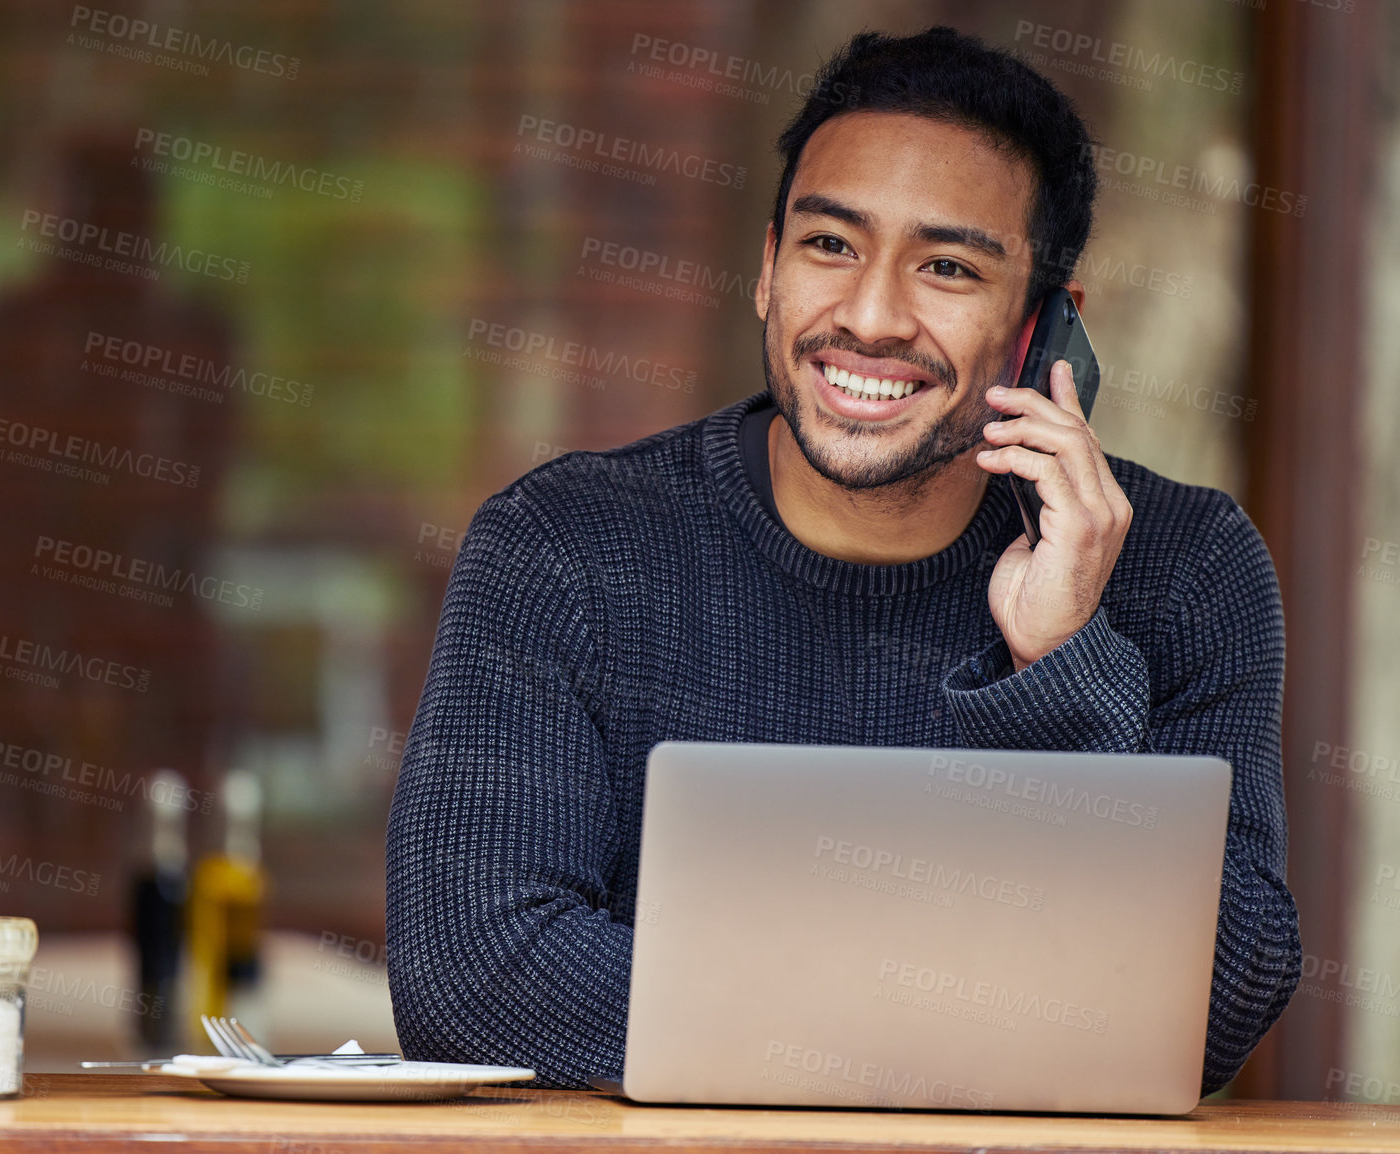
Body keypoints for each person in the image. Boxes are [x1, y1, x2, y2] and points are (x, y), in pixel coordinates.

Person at [385, 27, 1300, 1095]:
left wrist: (1064, 663)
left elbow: (1213, 1004)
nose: (869, 317)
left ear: (1042, 330)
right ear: (768, 269)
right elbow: (476, 976)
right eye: (830, 245)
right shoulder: (563, 548)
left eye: (948, 266)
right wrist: (968, 1024)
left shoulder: (1183, 567)